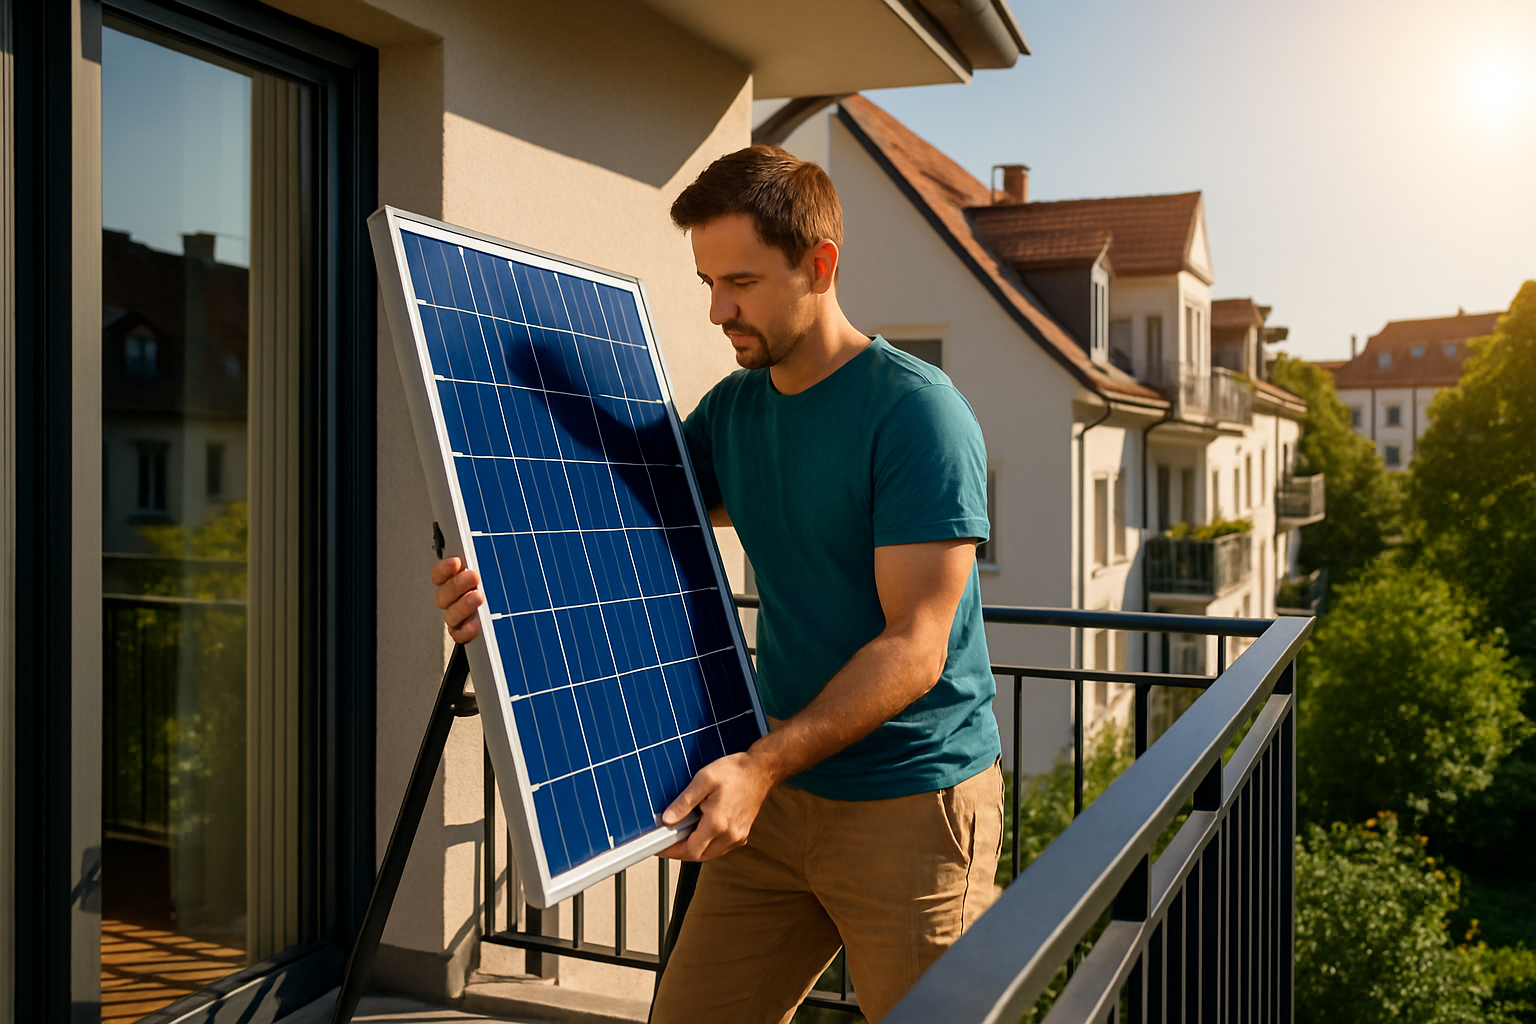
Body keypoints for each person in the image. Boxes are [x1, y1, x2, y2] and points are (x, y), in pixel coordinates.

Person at [429, 145, 1002, 1024]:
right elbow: (623, 529)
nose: (715, 310)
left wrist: (759, 766)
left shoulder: (916, 414)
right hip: (775, 796)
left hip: (911, 805)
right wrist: (494, 592)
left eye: (740, 282)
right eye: (705, 281)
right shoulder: (734, 412)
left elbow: (916, 646)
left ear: (820, 266)